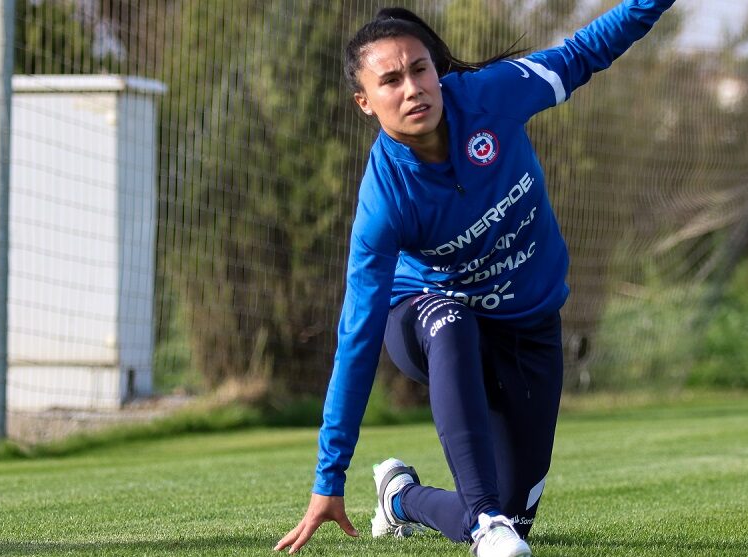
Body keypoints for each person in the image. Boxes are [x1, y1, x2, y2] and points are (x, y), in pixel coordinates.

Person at [273, 1, 676, 556]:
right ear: (364, 102)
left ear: (436, 72)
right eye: (390, 80)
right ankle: (485, 520)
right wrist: (329, 475)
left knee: (519, 519)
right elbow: (357, 336)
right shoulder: (384, 201)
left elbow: (585, 52)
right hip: (425, 322)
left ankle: (402, 498)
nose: (412, 87)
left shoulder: (492, 95)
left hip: (529, 328)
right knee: (450, 315)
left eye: (419, 69)